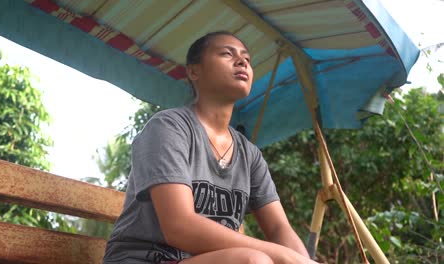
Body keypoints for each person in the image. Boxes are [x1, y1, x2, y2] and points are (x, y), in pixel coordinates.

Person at [103, 31, 319, 264]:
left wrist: (303, 260)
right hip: (143, 260)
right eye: (227, 53)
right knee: (253, 261)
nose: (242, 62)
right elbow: (179, 225)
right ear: (194, 71)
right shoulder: (169, 128)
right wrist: (284, 256)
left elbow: (278, 228)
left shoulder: (250, 155)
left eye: (247, 58)